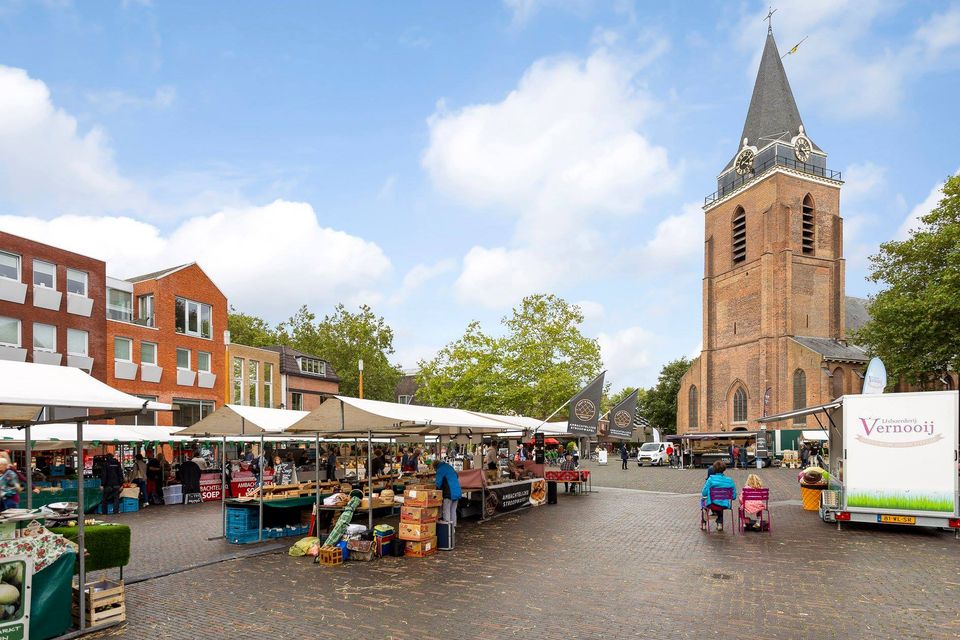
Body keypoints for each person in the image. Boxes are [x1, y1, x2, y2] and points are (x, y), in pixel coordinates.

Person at [701, 460, 737, 532]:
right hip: (724, 505)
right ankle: (719, 523)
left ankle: (704, 523)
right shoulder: (730, 480)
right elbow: (734, 496)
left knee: (703, 502)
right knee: (721, 502)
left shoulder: (710, 479)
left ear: (714, 469)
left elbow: (704, 493)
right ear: (724, 469)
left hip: (711, 504)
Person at [433, 459, 462, 526]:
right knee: (453, 511)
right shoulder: (448, 466)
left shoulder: (440, 470)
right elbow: (456, 476)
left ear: (435, 467)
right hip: (457, 491)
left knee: (446, 511)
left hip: (449, 493)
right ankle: (453, 528)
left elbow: (438, 483)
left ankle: (447, 529)